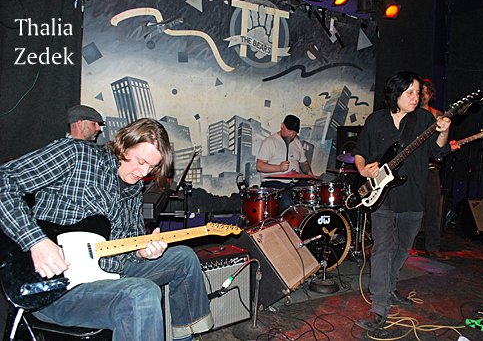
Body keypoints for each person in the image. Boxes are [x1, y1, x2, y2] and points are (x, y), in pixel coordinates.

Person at [0, 118, 213, 341]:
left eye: (152, 166)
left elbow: (128, 244)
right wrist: (36, 242)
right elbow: (4, 180)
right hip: (57, 287)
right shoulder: (76, 155)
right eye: (140, 161)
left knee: (185, 258)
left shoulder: (134, 190)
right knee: (142, 294)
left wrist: (142, 252)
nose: (143, 171)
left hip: (109, 274)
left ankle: (187, 337)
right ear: (123, 144)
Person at [351, 71, 451, 331]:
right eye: (410, 92)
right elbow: (359, 153)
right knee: (383, 249)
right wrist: (364, 171)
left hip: (413, 195)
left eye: (418, 93)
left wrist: (444, 131)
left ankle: (390, 286)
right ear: (395, 94)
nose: (416, 97)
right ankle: (379, 307)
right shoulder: (376, 121)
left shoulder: (425, 119)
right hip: (381, 198)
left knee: (402, 250)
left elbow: (438, 152)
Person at [410, 79, 454, 260]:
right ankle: (409, 245)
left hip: (430, 168)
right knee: (411, 208)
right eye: (420, 92)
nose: (423, 96)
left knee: (434, 209)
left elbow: (439, 146)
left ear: (431, 96)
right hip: (413, 169)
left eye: (426, 92)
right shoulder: (410, 114)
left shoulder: (437, 115)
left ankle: (432, 246)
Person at [256, 114, 314, 212]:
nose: (291, 135)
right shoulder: (269, 142)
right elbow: (259, 166)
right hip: (273, 182)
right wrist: (279, 168)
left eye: (294, 132)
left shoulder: (297, 143)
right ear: (282, 126)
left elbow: (303, 163)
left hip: (294, 182)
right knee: (286, 200)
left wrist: (310, 174)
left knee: (311, 194)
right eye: (289, 131)